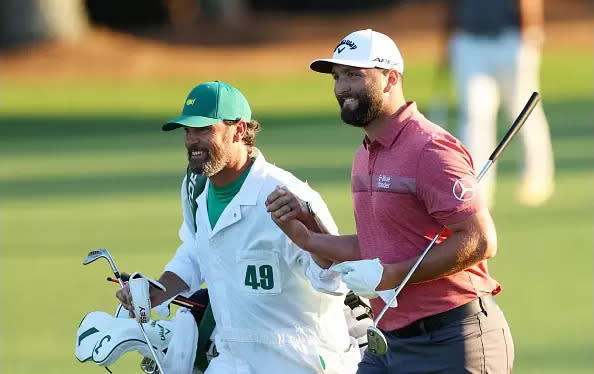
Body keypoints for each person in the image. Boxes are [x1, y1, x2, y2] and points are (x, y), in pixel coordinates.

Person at [267, 29, 514, 373]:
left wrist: (392, 276)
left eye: (354, 75)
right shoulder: (364, 155)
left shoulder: (431, 149)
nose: (341, 88)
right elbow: (379, 247)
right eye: (338, 77)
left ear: (390, 78)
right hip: (389, 342)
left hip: (454, 341)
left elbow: (480, 240)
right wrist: (307, 236)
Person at [112, 81, 362, 373]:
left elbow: (334, 279)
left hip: (300, 360)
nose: (192, 141)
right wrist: (158, 291)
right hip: (231, 357)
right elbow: (197, 247)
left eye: (204, 130)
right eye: (187, 131)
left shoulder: (287, 195)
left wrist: (310, 229)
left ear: (240, 130)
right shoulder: (196, 187)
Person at [445, 0, 554, 206]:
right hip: (469, 42)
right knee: (475, 114)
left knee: (523, 112)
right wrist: (449, 38)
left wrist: (532, 29)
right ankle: (477, 186)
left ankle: (537, 177)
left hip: (511, 39)